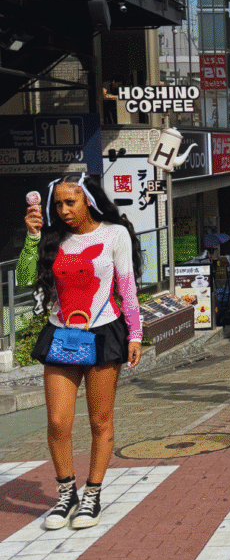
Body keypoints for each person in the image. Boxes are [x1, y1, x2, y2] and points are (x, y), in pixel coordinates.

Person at [15, 174, 143, 529]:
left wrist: (136, 334)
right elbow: (24, 278)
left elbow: (127, 288)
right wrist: (31, 238)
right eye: (58, 203)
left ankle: (93, 495)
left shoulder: (114, 234)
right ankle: (65, 494)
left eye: (70, 202)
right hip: (61, 335)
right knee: (58, 422)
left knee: (100, 421)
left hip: (103, 334)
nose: (63, 210)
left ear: (87, 199)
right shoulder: (52, 238)